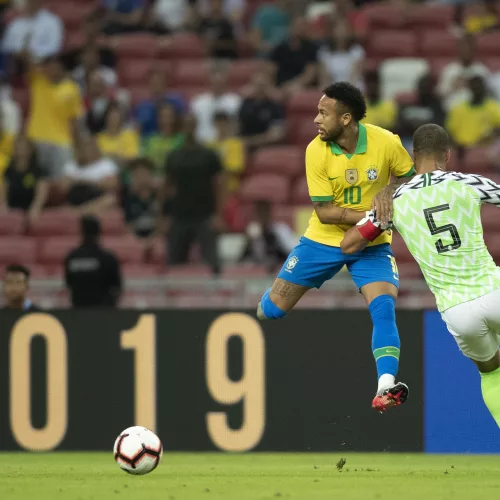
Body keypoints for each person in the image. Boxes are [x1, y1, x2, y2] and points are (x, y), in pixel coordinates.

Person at [256, 82, 415, 412]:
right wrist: (375, 213)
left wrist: (389, 193)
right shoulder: (315, 150)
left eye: (323, 113)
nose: (316, 119)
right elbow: (326, 212)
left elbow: (411, 180)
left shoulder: (386, 142)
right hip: (323, 240)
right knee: (271, 310)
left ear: (346, 119)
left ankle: (386, 385)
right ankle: (266, 300)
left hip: (372, 242)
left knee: (384, 307)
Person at [340, 123, 500, 427]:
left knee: (492, 372)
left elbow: (348, 245)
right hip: (493, 290)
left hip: (457, 310)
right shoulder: (467, 182)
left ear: (413, 157)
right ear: (448, 155)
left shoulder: (395, 201)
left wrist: (380, 209)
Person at [164, 114, 224, 275]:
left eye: (192, 125)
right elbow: (167, 188)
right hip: (179, 216)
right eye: (186, 125)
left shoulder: (209, 155)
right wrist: (164, 215)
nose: (189, 128)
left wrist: (218, 214)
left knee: (213, 263)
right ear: (182, 128)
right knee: (173, 263)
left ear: (196, 126)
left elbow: (218, 186)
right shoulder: (173, 157)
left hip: (205, 215)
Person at [26, 55, 84, 178]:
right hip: (37, 137)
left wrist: (78, 146)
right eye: (49, 66)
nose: (53, 70)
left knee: (60, 179)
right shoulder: (38, 81)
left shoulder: (71, 89)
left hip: (62, 141)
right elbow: (27, 63)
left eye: (56, 66)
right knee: (36, 177)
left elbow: (74, 119)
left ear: (62, 68)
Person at [65, 216, 122, 308]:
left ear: (82, 232)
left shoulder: (72, 257)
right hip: (103, 314)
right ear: (99, 232)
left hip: (77, 313)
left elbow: (68, 284)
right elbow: (117, 287)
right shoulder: (107, 258)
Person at [60, 136, 118, 215]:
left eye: (90, 147)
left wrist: (85, 181)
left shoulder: (106, 164)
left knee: (110, 200)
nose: (87, 150)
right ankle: (80, 211)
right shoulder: (71, 166)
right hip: (75, 196)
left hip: (96, 197)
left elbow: (112, 183)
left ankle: (79, 211)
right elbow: (63, 186)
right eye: (85, 147)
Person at [0, 136, 49, 225]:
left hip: (30, 209)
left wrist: (35, 208)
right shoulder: (9, 170)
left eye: (24, 148)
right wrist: (3, 206)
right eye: (18, 148)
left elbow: (41, 193)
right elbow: (3, 190)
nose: (21, 152)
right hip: (12, 210)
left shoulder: (38, 171)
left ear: (30, 150)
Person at [240, 199, 297, 272]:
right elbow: (244, 258)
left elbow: (293, 251)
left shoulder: (280, 230)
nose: (261, 216)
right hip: (260, 271)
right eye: (258, 213)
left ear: (269, 213)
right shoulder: (253, 232)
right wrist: (249, 241)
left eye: (264, 212)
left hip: (280, 270)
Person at [446, 75, 500, 150]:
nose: (477, 89)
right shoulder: (458, 109)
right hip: (461, 149)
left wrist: (492, 134)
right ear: (470, 88)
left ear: (484, 88)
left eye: (479, 87)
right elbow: (450, 131)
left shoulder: (494, 107)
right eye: (474, 87)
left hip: (484, 149)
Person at [438, 35, 490, 111]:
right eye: (463, 49)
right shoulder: (449, 70)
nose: (466, 52)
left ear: (474, 51)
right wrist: (453, 86)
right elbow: (440, 95)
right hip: (452, 111)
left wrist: (473, 85)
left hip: (475, 112)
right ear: (459, 50)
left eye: (469, 49)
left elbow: (489, 96)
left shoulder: (481, 71)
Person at [269, 17, 318, 94]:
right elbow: (270, 70)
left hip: (300, 86)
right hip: (280, 86)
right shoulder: (279, 48)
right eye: (297, 26)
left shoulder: (311, 48)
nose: (299, 29)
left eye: (302, 26)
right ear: (291, 27)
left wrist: (293, 84)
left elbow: (310, 74)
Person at [396, 74, 445, 151]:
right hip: (408, 140)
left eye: (427, 88)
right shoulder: (407, 106)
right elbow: (400, 125)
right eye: (422, 87)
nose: (424, 90)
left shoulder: (437, 107)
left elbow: (438, 126)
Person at [191, 69, 241, 142]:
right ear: (209, 84)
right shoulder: (198, 102)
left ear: (226, 84)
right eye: (215, 83)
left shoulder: (235, 101)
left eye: (220, 83)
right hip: (202, 142)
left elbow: (237, 125)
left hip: (226, 143)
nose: (217, 86)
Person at [239, 71, 285, 150]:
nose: (259, 89)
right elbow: (237, 127)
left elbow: (276, 135)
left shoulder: (275, 106)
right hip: (243, 147)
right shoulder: (245, 104)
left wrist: (250, 142)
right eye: (256, 85)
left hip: (266, 148)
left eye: (262, 85)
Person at [135, 69, 186, 138]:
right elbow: (138, 130)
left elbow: (184, 125)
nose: (157, 86)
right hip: (149, 143)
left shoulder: (177, 102)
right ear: (149, 84)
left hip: (173, 142)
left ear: (165, 84)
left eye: (160, 83)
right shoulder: (142, 107)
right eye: (154, 83)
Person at [121, 158, 159, 244]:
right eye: (137, 175)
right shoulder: (124, 195)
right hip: (133, 238)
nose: (141, 179)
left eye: (144, 174)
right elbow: (126, 224)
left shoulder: (160, 195)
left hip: (156, 237)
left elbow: (165, 222)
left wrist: (151, 240)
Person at [318, 21, 365, 90]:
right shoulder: (324, 52)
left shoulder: (356, 50)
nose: (341, 33)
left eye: (344, 30)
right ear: (332, 32)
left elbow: (355, 76)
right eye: (338, 30)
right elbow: (325, 79)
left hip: (353, 89)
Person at [141, 102, 185, 174]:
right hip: (153, 180)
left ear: (175, 118)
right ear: (158, 119)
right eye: (163, 117)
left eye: (170, 116)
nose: (166, 121)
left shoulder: (182, 139)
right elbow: (145, 164)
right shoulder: (149, 140)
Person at [208, 111, 244, 193]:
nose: (221, 126)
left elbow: (235, 168)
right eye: (218, 122)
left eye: (223, 123)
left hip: (230, 188)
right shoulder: (209, 145)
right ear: (214, 124)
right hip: (211, 189)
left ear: (228, 124)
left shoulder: (235, 144)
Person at [97, 103, 140, 167]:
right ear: (106, 118)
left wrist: (110, 157)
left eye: (116, 117)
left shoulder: (130, 136)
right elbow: (97, 160)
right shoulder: (99, 138)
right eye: (111, 116)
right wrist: (117, 158)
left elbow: (133, 159)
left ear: (121, 119)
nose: (113, 120)